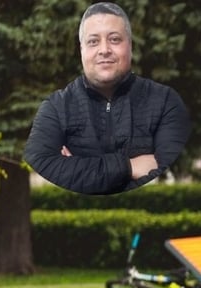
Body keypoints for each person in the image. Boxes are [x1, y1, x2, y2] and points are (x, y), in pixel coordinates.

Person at [24, 2, 190, 195]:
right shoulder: (56, 108)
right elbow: (41, 162)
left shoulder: (166, 103)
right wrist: (130, 167)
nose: (104, 49)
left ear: (130, 46)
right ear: (82, 50)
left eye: (114, 39)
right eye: (93, 41)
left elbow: (161, 170)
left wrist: (77, 168)